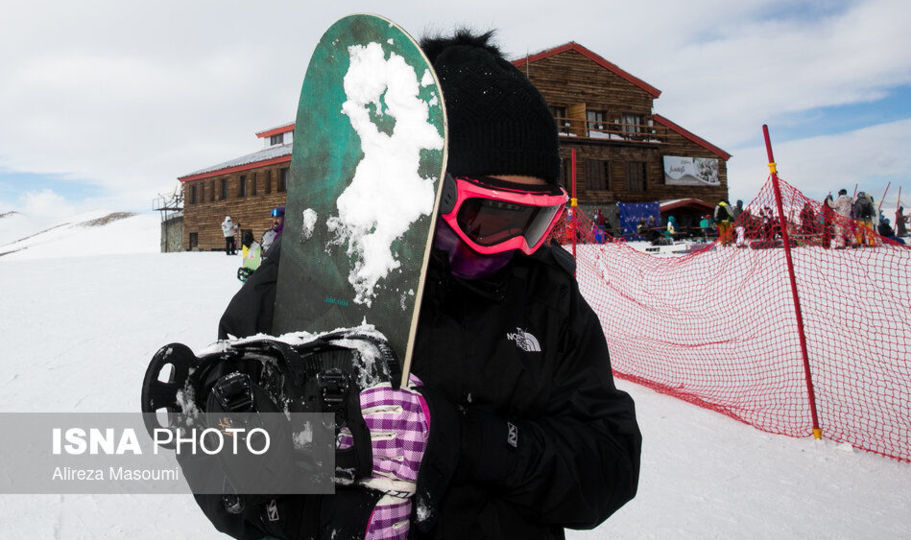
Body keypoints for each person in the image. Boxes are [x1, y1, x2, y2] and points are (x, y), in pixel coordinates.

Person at [211, 29, 641, 539]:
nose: (515, 247)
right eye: (491, 215)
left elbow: (610, 464)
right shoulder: (306, 279)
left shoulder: (546, 295)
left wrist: (465, 441)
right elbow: (221, 470)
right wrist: (326, 510)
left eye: (536, 222)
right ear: (425, 194)